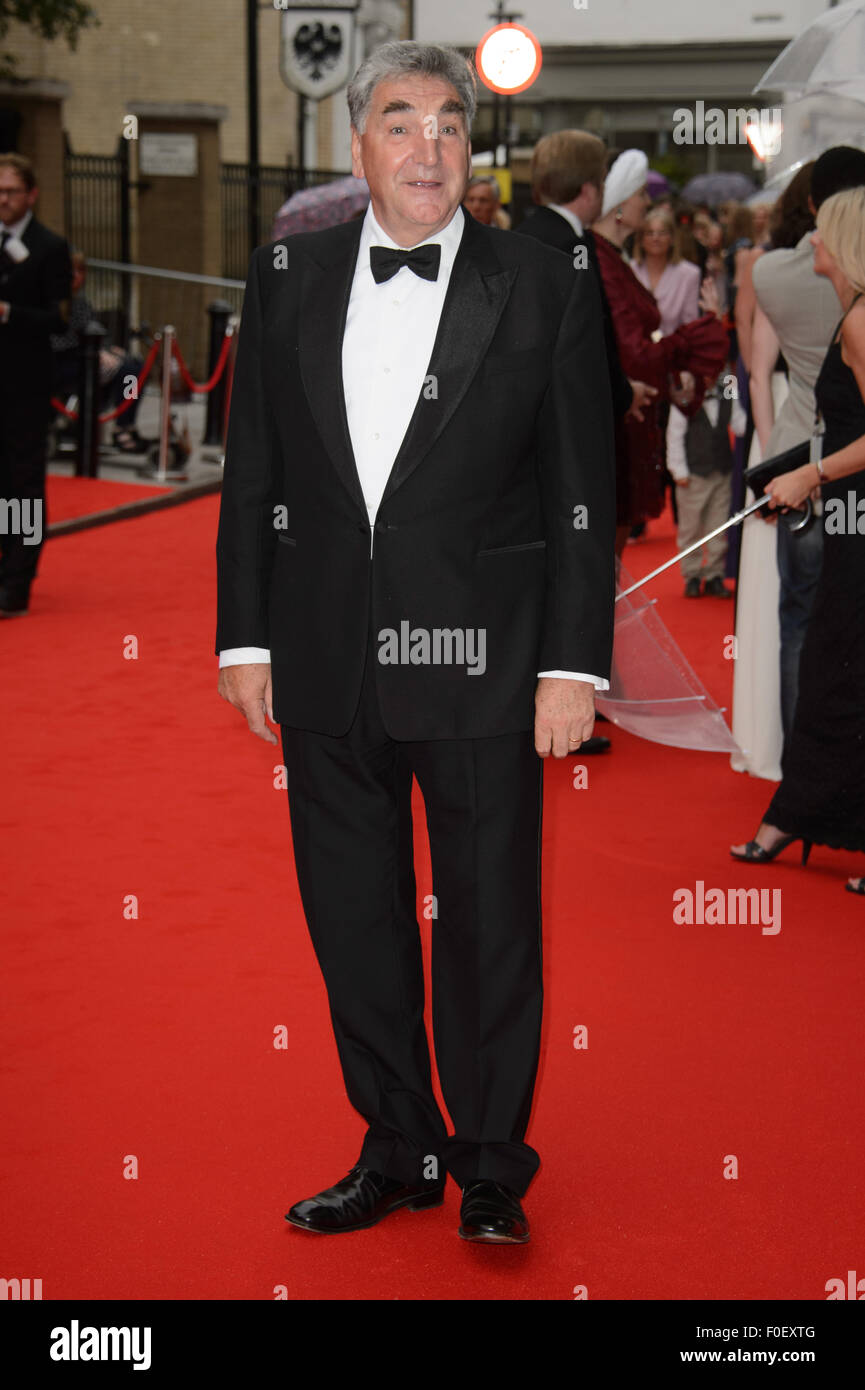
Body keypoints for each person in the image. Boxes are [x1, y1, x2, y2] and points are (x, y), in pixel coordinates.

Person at [215, 41, 616, 1244]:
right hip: (326, 647)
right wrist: (244, 637)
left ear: (470, 150)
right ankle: (397, 1145)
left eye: (449, 123)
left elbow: (578, 490)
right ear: (359, 148)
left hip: (487, 657)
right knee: (355, 913)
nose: (427, 145)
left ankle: (490, 1160)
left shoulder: (543, 280)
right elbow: (254, 473)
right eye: (400, 122)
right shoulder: (289, 270)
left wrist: (570, 663)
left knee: (490, 917)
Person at [731, 186, 865, 894]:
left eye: (819, 233)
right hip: (848, 514)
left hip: (855, 516)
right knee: (832, 668)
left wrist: (809, 475)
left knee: (836, 667)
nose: (808, 241)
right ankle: (795, 813)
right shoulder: (853, 314)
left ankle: (792, 815)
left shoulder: (860, 323)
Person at [590, 149, 729, 554]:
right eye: (640, 196)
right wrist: (698, 337)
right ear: (619, 204)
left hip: (632, 412)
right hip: (621, 415)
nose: (647, 204)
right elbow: (633, 351)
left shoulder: (610, 259)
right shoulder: (605, 260)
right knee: (607, 556)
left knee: (611, 554)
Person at [0, 152, 72, 617]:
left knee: (22, 483)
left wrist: (8, 314)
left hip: (24, 387)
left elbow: (58, 318)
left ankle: (17, 579)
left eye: (9, 191)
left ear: (31, 195)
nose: (1, 200)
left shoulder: (49, 246)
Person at [50, 250, 148, 453]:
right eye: (72, 271)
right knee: (128, 371)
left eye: (81, 271)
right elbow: (60, 339)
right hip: (62, 364)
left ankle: (125, 421)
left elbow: (94, 330)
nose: (77, 276)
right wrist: (96, 351)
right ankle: (122, 428)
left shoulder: (81, 301)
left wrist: (107, 349)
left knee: (135, 367)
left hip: (87, 358)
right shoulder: (52, 301)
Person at [667, 366, 747, 596]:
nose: (710, 376)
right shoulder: (685, 395)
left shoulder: (728, 391)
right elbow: (674, 435)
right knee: (690, 528)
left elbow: (740, 423)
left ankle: (714, 574)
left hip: (722, 472)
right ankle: (691, 575)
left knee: (718, 525)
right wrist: (678, 470)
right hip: (692, 475)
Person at [631, 205, 701, 336]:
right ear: (640, 239)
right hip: (634, 350)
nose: (655, 238)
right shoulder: (629, 270)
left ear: (672, 238)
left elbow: (690, 323)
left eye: (662, 233)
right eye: (649, 233)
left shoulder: (690, 274)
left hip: (675, 350)